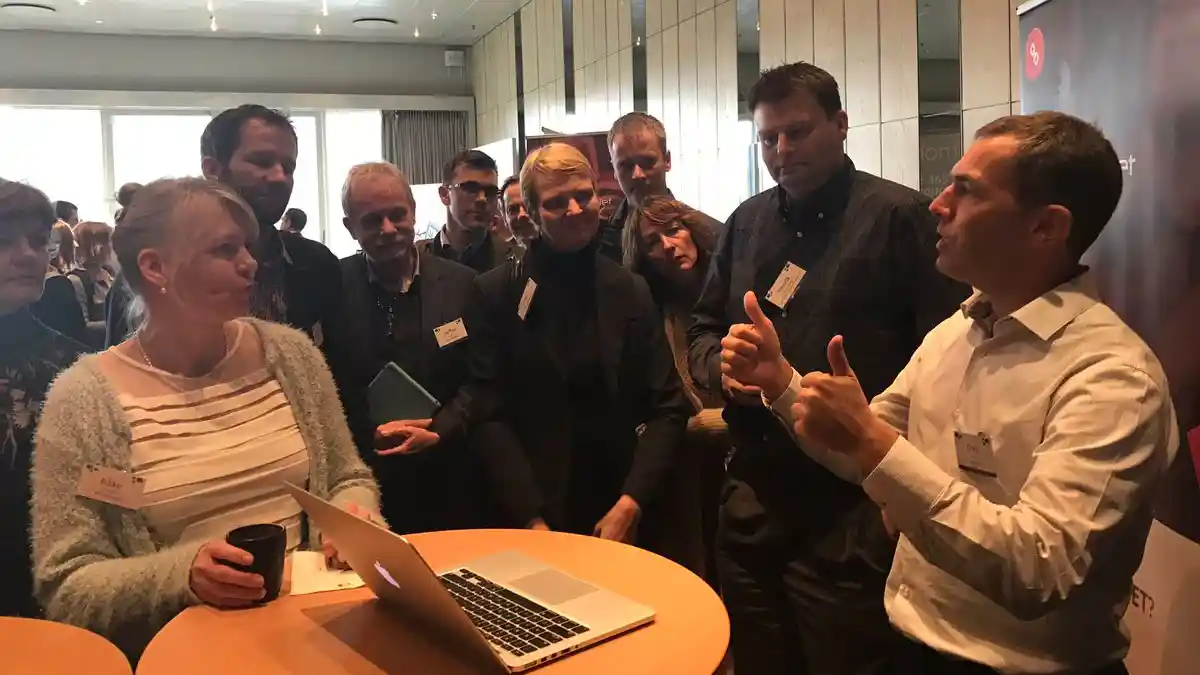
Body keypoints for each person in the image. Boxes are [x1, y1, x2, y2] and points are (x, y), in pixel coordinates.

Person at [722, 111, 1174, 675]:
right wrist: (781, 383)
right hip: (909, 644)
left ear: (1045, 228)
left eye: (967, 191)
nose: (938, 205)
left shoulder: (1112, 376)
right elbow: (855, 452)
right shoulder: (958, 330)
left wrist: (871, 444)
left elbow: (1039, 570)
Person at [687, 62, 970, 675]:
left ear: (840, 125)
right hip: (753, 497)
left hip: (852, 508)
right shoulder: (746, 222)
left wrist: (900, 502)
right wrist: (720, 371)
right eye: (768, 138)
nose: (782, 151)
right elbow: (702, 326)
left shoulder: (900, 218)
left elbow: (951, 358)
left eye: (798, 132)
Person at [32, 177, 380, 660]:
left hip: (316, 632)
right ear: (155, 267)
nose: (250, 263)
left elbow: (347, 477)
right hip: (189, 653)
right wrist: (183, 576)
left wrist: (351, 518)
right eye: (224, 249)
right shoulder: (84, 400)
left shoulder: (290, 355)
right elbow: (67, 584)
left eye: (246, 246)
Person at [464, 142, 693, 563]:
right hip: (531, 511)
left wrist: (632, 501)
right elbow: (488, 414)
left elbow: (668, 405)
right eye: (555, 202)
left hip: (623, 507)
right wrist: (530, 518)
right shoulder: (495, 293)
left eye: (583, 196)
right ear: (531, 214)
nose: (573, 210)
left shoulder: (629, 289)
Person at [105, 105, 345, 361]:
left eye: (288, 167)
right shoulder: (158, 271)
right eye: (262, 162)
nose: (279, 177)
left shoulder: (317, 264)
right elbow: (121, 372)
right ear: (213, 169)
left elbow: (335, 371)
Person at [333, 162, 490, 532]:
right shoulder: (333, 286)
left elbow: (484, 376)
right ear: (350, 227)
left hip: (451, 476)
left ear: (414, 211)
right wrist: (366, 432)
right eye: (372, 220)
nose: (388, 229)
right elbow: (328, 379)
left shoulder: (464, 284)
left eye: (397, 215)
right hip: (368, 482)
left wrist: (441, 429)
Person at [622, 195, 728, 579]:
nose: (668, 245)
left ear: (692, 229)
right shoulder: (654, 314)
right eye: (653, 242)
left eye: (674, 230)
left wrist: (712, 422)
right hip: (689, 471)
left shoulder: (732, 291)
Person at [0, 179, 86, 618]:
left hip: (51, 592)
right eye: (3, 241)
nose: (27, 255)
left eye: (37, 241)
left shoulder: (75, 365)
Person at [601, 112, 722, 262]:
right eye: (625, 165)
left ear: (667, 161)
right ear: (614, 169)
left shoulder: (713, 236)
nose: (637, 174)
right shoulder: (598, 242)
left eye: (647, 161)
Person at [418, 149, 516, 273]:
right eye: (470, 188)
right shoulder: (416, 260)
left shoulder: (517, 263)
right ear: (445, 195)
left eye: (490, 191)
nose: (482, 199)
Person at [68, 220, 115, 348]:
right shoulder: (76, 280)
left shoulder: (110, 274)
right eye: (108, 242)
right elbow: (81, 327)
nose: (112, 247)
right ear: (95, 245)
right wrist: (118, 323)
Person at [499, 175, 537, 247]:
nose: (522, 215)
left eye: (528, 205)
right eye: (512, 209)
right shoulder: (497, 253)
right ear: (504, 217)